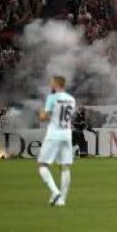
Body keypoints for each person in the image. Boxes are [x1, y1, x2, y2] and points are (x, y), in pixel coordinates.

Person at [37, 75, 76, 206]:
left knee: (42, 165)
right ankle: (62, 200)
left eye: (51, 83)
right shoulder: (71, 99)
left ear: (55, 84)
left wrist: (41, 110)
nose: (50, 85)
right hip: (67, 134)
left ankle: (55, 192)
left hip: (54, 134)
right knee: (65, 166)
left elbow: (43, 117)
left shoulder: (52, 98)